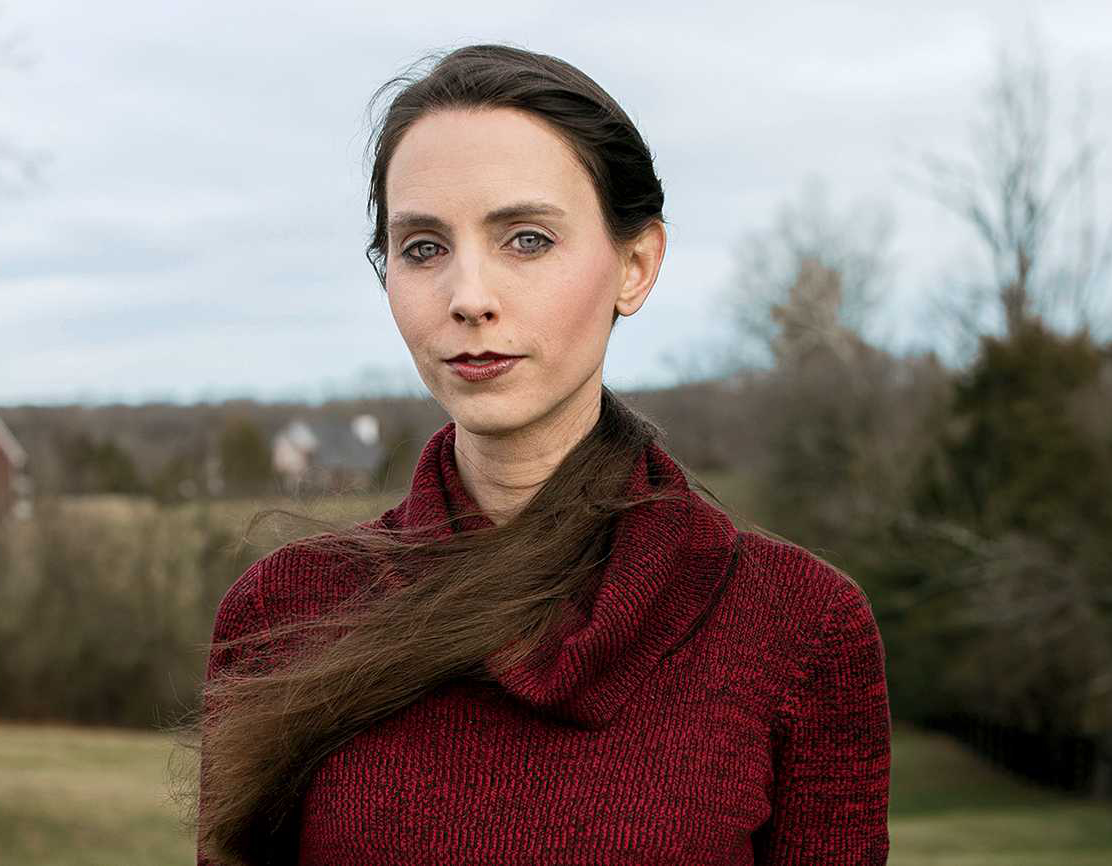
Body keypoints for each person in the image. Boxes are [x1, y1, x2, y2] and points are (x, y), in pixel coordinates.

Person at [181, 43, 891, 866]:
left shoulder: (799, 627)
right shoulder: (285, 611)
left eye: (526, 239)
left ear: (635, 266)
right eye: (423, 248)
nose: (469, 298)